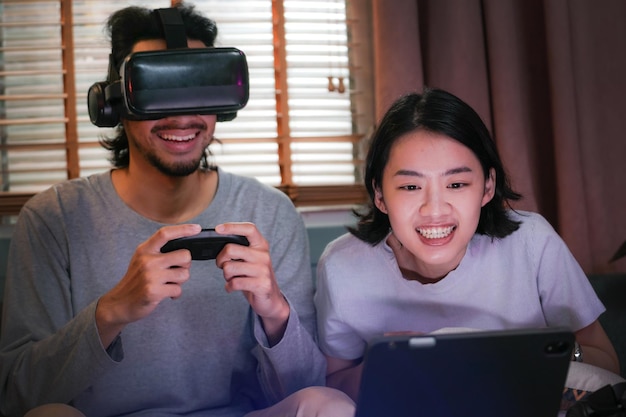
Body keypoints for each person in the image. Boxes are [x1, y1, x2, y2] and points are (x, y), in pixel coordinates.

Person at [0, 3, 354, 417]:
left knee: (327, 405)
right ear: (112, 102)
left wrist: (275, 311)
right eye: (158, 89)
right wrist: (111, 311)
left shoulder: (270, 213)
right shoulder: (53, 219)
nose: (182, 116)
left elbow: (300, 387)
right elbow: (15, 395)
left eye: (198, 87)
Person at [314, 87, 621, 401]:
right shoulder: (343, 267)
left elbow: (608, 366)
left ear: (487, 187)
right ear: (379, 194)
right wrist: (385, 368)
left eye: (457, 184)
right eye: (410, 186)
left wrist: (542, 357)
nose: (434, 209)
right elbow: (332, 381)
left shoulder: (532, 243)